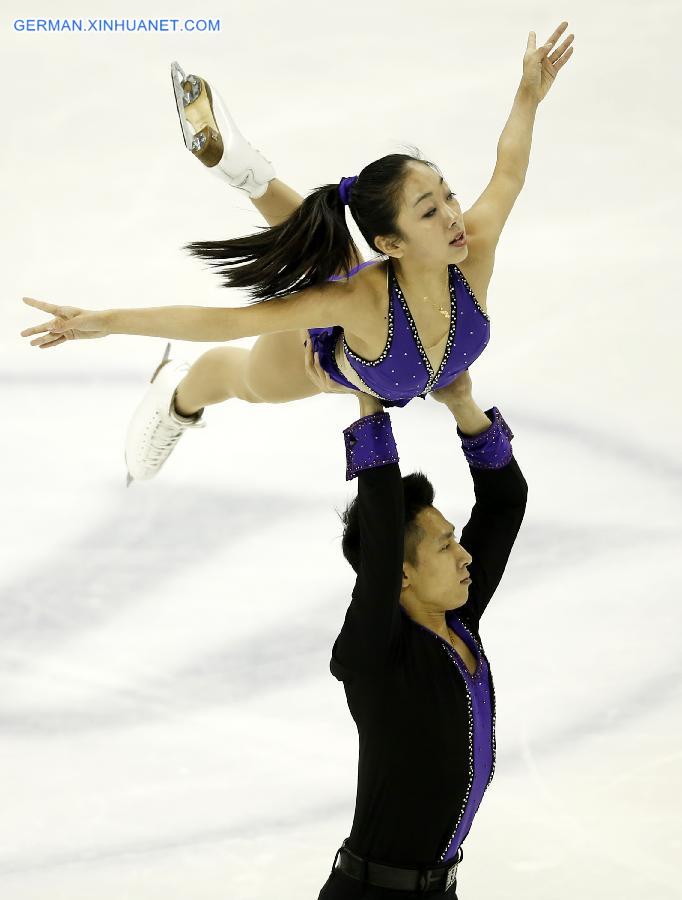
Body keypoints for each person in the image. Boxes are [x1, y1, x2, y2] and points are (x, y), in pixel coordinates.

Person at [18, 24, 573, 486]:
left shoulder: (470, 248)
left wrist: (529, 92)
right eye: (429, 211)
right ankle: (176, 392)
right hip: (320, 355)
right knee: (245, 382)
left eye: (448, 194)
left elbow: (508, 170)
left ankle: (243, 167)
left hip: (374, 310)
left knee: (334, 259)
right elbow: (230, 323)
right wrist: (106, 322)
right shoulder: (359, 300)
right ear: (391, 243)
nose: (455, 215)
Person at [302, 345, 528, 898]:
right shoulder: (376, 651)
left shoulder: (458, 622)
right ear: (401, 575)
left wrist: (464, 405)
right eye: (447, 546)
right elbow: (380, 540)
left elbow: (505, 503)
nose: (465, 556)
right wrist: (368, 401)